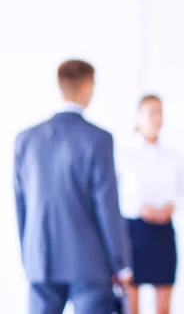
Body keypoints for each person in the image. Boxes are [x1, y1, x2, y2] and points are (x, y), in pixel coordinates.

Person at [13, 60, 133, 314]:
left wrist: (28, 254)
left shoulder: (26, 140)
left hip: (40, 259)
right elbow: (107, 206)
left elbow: (20, 204)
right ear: (87, 87)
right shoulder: (99, 139)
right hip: (89, 263)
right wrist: (121, 264)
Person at [117, 95, 184, 314]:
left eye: (160, 112)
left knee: (163, 307)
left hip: (163, 232)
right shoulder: (125, 153)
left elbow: (183, 192)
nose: (156, 117)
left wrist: (170, 206)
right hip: (134, 232)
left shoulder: (172, 155)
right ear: (138, 116)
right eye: (151, 112)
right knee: (131, 306)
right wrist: (140, 208)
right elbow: (114, 194)